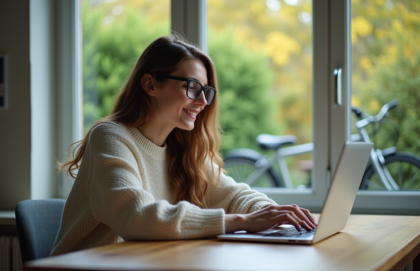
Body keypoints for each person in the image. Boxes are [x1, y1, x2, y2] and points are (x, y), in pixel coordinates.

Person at [51, 35, 316, 256]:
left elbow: (234, 195)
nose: (202, 101)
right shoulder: (111, 137)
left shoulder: (182, 148)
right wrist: (244, 222)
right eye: (192, 87)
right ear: (150, 84)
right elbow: (136, 215)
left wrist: (272, 214)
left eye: (206, 91)